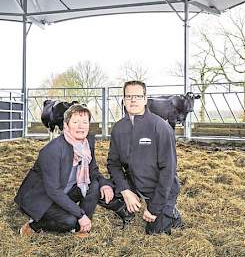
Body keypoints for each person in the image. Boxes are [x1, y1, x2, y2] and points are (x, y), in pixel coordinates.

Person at [15, 104, 128, 236]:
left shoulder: (86, 143)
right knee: (70, 221)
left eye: (85, 122)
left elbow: (93, 171)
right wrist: (80, 215)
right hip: (42, 197)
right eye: (75, 122)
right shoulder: (53, 150)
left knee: (95, 185)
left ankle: (83, 229)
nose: (81, 126)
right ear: (66, 125)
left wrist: (105, 185)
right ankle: (33, 226)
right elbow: (53, 190)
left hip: (65, 191)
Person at [107, 80, 183, 234]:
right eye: (128, 96)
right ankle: (127, 209)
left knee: (154, 234)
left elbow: (168, 170)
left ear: (145, 99)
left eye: (137, 96)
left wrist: (154, 207)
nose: (133, 100)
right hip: (134, 183)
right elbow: (113, 163)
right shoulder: (118, 128)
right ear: (123, 100)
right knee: (101, 189)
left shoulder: (160, 127)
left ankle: (171, 213)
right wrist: (125, 190)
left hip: (159, 189)